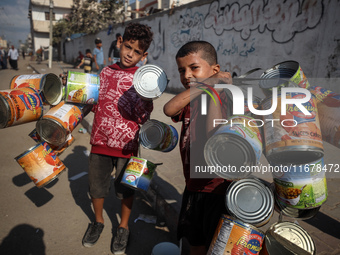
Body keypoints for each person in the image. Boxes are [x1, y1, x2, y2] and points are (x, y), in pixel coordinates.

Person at [82, 23, 153, 254]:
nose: (130, 54)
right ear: (120, 42)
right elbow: (93, 105)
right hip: (100, 142)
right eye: (128, 47)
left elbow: (143, 117)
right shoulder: (104, 73)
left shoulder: (144, 80)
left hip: (128, 146)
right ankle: (99, 221)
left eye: (137, 52)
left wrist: (147, 97)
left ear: (144, 56)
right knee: (96, 187)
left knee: (127, 189)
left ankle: (123, 227)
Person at [163, 41, 232, 255]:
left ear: (215, 70)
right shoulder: (190, 100)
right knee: (195, 241)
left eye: (194, 68)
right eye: (182, 70)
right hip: (192, 186)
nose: (187, 75)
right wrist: (207, 83)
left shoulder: (223, 97)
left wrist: (214, 88)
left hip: (217, 188)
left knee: (217, 246)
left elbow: (213, 133)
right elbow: (168, 108)